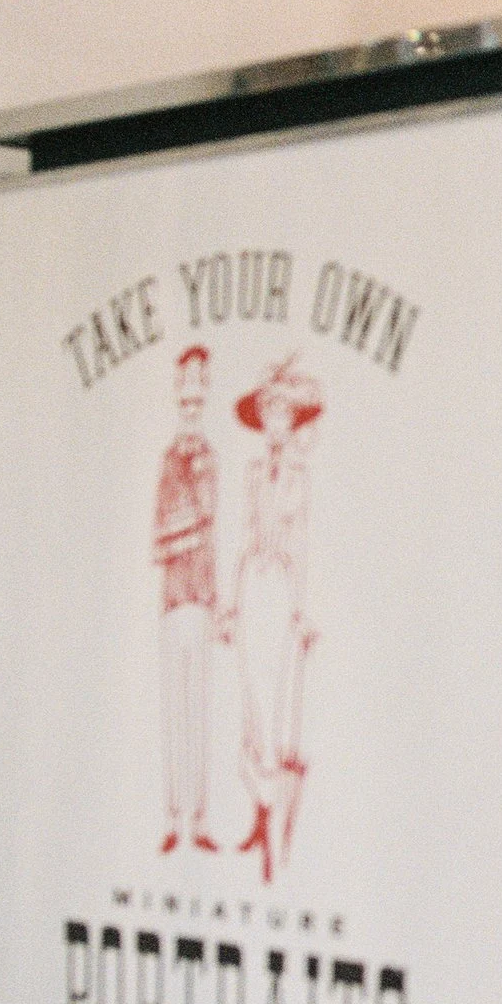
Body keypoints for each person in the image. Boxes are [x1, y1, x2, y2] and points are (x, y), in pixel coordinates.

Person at [221, 356, 322, 884]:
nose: (275, 422)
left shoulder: (301, 477)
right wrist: (230, 604)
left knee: (283, 706)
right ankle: (262, 815)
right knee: (252, 701)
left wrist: (304, 609)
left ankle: (278, 834)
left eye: (283, 412)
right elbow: (241, 533)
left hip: (283, 588)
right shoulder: (253, 472)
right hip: (253, 585)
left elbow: (303, 544)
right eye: (268, 412)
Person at [151, 347, 221, 856]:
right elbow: (161, 534)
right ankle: (177, 822)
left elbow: (207, 522)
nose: (192, 399)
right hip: (174, 597)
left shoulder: (209, 459)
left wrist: (189, 527)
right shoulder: (168, 460)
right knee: (176, 708)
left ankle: (197, 821)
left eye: (200, 387)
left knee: (198, 708)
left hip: (199, 592)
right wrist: (188, 527)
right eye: (186, 388)